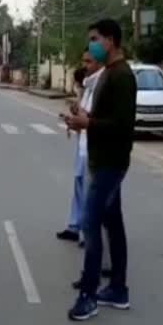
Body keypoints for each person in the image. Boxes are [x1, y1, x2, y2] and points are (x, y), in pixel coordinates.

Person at [63, 19, 136, 321]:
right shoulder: (110, 74)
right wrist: (83, 117)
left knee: (91, 227)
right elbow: (106, 118)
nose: (90, 45)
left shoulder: (121, 77)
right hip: (104, 159)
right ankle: (118, 289)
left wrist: (88, 123)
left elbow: (121, 127)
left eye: (94, 39)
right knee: (112, 224)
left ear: (109, 40)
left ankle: (88, 296)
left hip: (110, 163)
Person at [57, 51, 104, 243]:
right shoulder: (88, 87)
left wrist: (83, 119)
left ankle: (87, 233)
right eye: (83, 61)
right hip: (82, 144)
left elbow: (95, 118)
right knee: (78, 185)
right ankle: (74, 226)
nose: (85, 65)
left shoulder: (102, 86)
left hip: (93, 147)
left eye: (88, 61)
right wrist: (73, 118)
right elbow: (83, 113)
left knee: (88, 191)